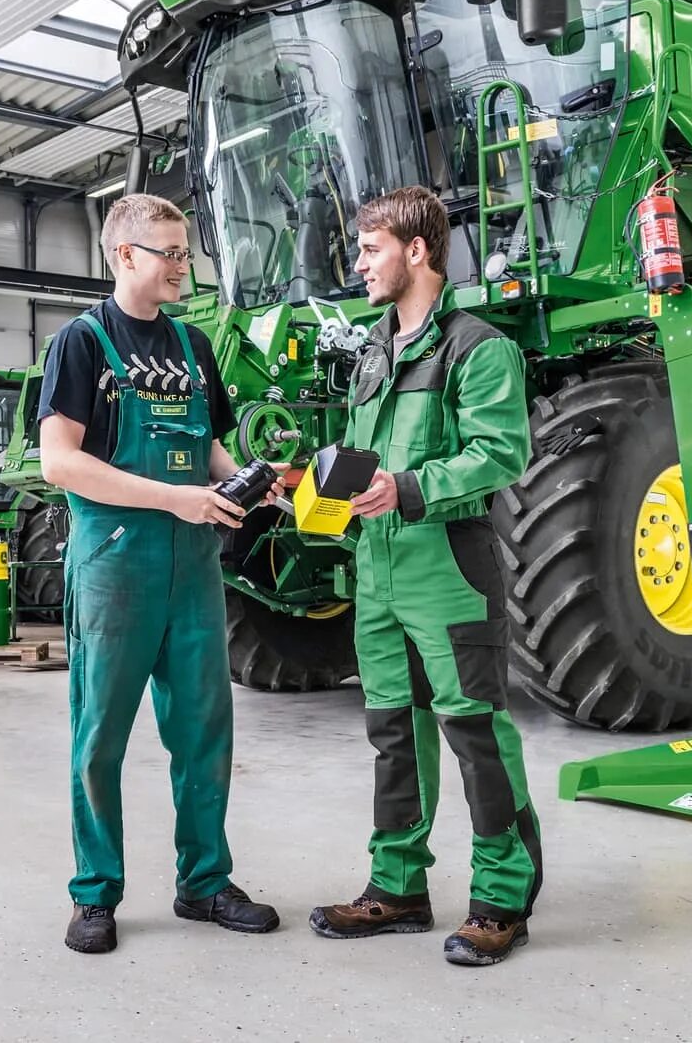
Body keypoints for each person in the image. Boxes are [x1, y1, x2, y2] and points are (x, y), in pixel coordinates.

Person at [37, 192, 281, 955]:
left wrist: (244, 479)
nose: (183, 266)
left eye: (185, 252)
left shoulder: (192, 344)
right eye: (168, 253)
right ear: (124, 256)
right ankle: (95, 892)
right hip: (115, 558)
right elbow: (60, 461)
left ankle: (204, 881)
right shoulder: (81, 344)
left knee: (206, 727)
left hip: (193, 562)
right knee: (101, 732)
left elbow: (208, 446)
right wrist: (173, 498)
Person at [309, 186, 541, 967]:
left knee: (474, 729)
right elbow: (360, 457)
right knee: (394, 734)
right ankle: (397, 886)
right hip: (376, 568)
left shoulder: (477, 346)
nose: (360, 262)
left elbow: (500, 452)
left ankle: (502, 897)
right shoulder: (375, 350)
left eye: (372, 248)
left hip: (446, 566)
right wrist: (304, 484)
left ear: (417, 250)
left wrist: (407, 489)